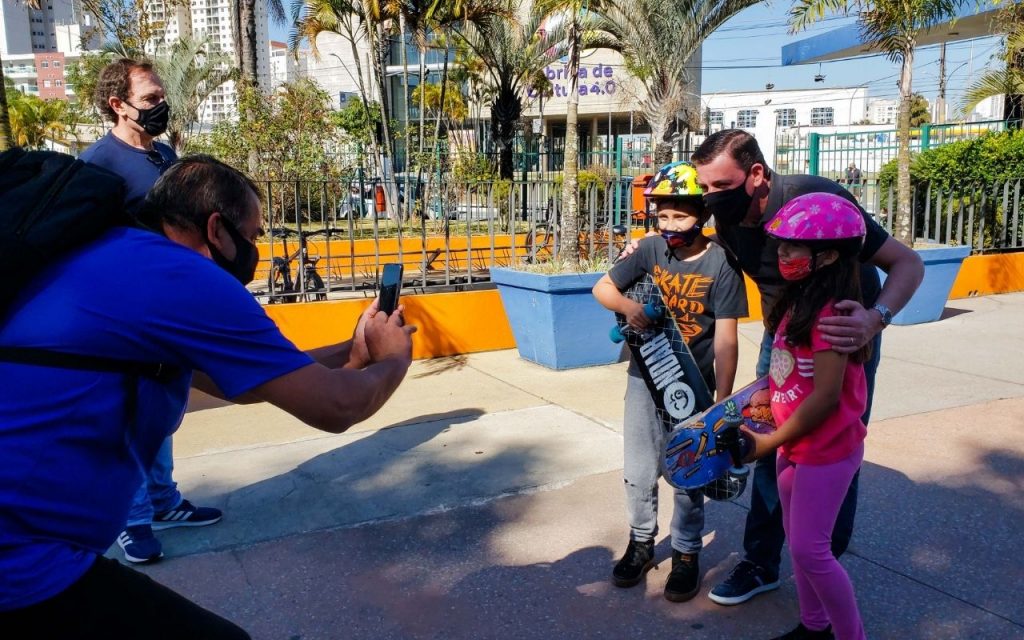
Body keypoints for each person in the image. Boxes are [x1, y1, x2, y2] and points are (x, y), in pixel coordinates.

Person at [0, 155, 415, 637]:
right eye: (254, 236)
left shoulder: (121, 259)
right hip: (21, 558)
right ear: (217, 229)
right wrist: (396, 360)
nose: (255, 250)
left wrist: (355, 351)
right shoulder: (182, 276)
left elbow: (238, 381)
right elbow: (336, 407)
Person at [688, 130, 923, 606]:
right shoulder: (729, 221)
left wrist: (875, 321)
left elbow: (907, 263)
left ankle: (822, 561)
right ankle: (762, 561)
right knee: (772, 451)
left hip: (843, 334)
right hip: (783, 336)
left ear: (756, 174)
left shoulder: (818, 200)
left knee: (831, 442)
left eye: (719, 185)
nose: (710, 198)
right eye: (704, 187)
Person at [80, 57, 219, 565]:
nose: (162, 106)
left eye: (162, 96)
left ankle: (164, 503)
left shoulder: (163, 155)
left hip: (169, 305)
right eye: (151, 99)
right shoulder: (98, 162)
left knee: (162, 411)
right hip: (125, 311)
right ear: (118, 105)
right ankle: (132, 520)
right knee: (133, 416)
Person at [592, 161, 748, 602]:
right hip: (645, 376)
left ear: (702, 213)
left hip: (695, 385)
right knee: (639, 467)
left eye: (679, 215)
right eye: (661, 216)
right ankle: (641, 542)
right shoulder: (649, 251)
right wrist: (627, 307)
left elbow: (727, 338)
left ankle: (685, 552)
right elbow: (601, 288)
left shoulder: (722, 265)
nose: (669, 224)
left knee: (688, 469)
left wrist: (722, 401)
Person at [745, 193, 872, 640]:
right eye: (780, 245)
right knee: (798, 544)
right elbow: (783, 377)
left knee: (812, 550)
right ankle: (813, 626)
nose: (782, 254)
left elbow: (825, 398)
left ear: (829, 256)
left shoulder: (830, 315)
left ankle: (850, 636)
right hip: (794, 446)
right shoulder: (796, 303)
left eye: (793, 247)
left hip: (825, 449)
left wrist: (768, 443)